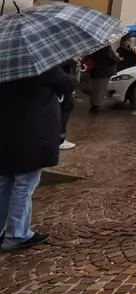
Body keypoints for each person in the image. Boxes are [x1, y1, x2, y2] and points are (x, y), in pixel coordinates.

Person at [0, 65, 76, 252]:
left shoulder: (4, 61)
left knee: (5, 183)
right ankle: (16, 234)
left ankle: (3, 230)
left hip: (4, 131)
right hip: (31, 133)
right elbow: (69, 84)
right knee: (24, 184)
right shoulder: (40, 65)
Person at [86, 45, 118, 113]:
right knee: (100, 89)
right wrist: (116, 57)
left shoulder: (93, 47)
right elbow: (112, 59)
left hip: (95, 71)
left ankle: (94, 105)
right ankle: (95, 105)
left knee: (95, 89)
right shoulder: (106, 47)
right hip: (104, 71)